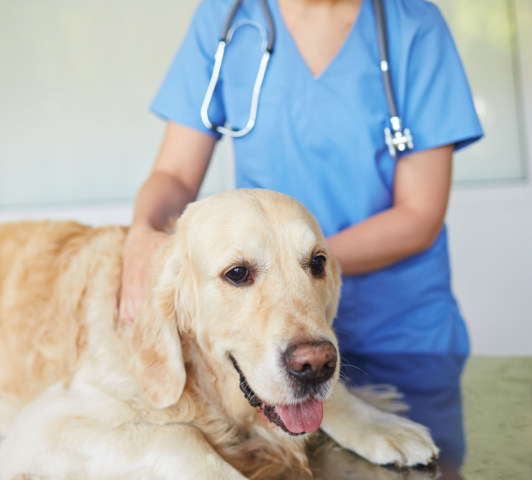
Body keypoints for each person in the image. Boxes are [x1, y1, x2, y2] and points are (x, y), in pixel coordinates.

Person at [119, 0, 483, 357]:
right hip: (267, 334)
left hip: (400, 328)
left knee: (405, 419)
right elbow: (175, 174)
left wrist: (291, 271)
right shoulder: (227, 14)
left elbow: (419, 216)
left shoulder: (413, 23)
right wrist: (141, 231)